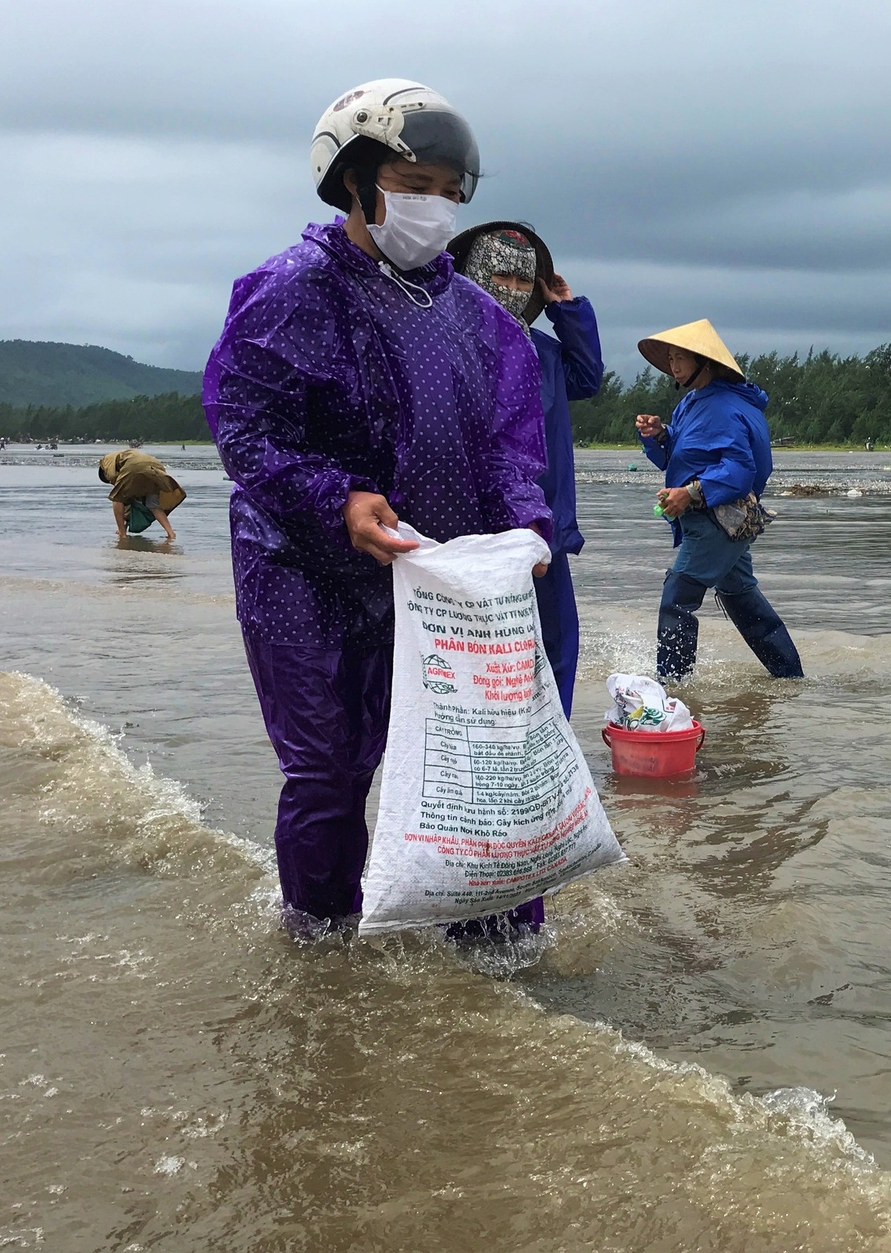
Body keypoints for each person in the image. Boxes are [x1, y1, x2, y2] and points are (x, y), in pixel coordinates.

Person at [203, 78, 552, 939]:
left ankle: (490, 946)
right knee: (329, 770)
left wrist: (526, 529)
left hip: (435, 582)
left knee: (467, 761)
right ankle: (322, 953)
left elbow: (511, 444)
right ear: (355, 181)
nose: (432, 207)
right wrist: (337, 500)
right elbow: (246, 429)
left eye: (446, 191)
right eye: (412, 184)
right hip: (305, 574)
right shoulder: (292, 291)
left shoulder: (480, 319)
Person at [448, 222, 602, 716]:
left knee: (556, 643)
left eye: (522, 282)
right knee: (481, 651)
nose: (511, 291)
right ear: (472, 275)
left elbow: (588, 378)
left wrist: (565, 309)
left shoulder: (545, 351)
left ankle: (554, 745)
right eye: (501, 277)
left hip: (545, 526)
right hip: (475, 530)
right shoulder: (447, 344)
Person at [632, 319, 802, 682]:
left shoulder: (725, 407)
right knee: (742, 599)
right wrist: (659, 434)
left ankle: (672, 689)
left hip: (716, 523)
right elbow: (680, 455)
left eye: (681, 359)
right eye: (671, 359)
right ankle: (790, 680)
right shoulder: (692, 403)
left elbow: (741, 469)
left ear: (705, 363)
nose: (673, 366)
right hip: (724, 523)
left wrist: (690, 492)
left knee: (677, 597)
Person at [97, 448, 186, 542]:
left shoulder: (106, 463)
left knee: (117, 498)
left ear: (105, 474)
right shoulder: (122, 456)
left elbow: (121, 497)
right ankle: (171, 533)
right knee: (153, 505)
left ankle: (122, 534)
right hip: (156, 467)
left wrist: (121, 530)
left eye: (110, 482)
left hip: (134, 466)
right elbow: (130, 499)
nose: (112, 483)